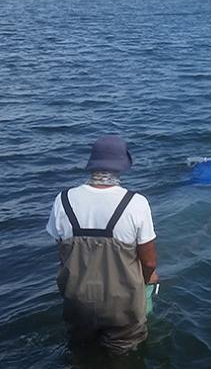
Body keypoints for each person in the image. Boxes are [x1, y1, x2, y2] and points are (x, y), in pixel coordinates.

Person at [45, 135, 159, 353]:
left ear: (92, 164)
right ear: (123, 165)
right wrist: (148, 278)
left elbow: (62, 250)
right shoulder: (136, 203)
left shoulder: (63, 200)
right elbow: (149, 261)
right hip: (122, 308)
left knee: (81, 354)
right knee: (123, 358)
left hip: (77, 302)